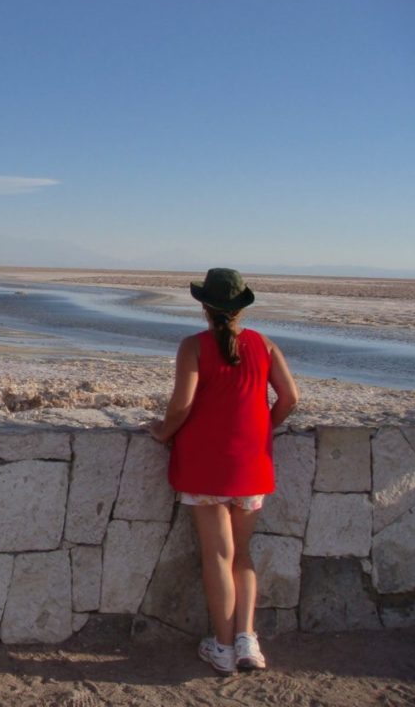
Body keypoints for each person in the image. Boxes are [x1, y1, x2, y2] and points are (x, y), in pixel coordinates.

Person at [149, 268, 298, 676]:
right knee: (242, 555)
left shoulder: (193, 347)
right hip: (251, 464)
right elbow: (290, 397)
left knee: (218, 555)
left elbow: (181, 405)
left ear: (204, 306)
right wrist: (264, 428)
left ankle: (223, 645)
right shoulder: (263, 345)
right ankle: (248, 639)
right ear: (240, 307)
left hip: (204, 466)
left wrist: (162, 433)